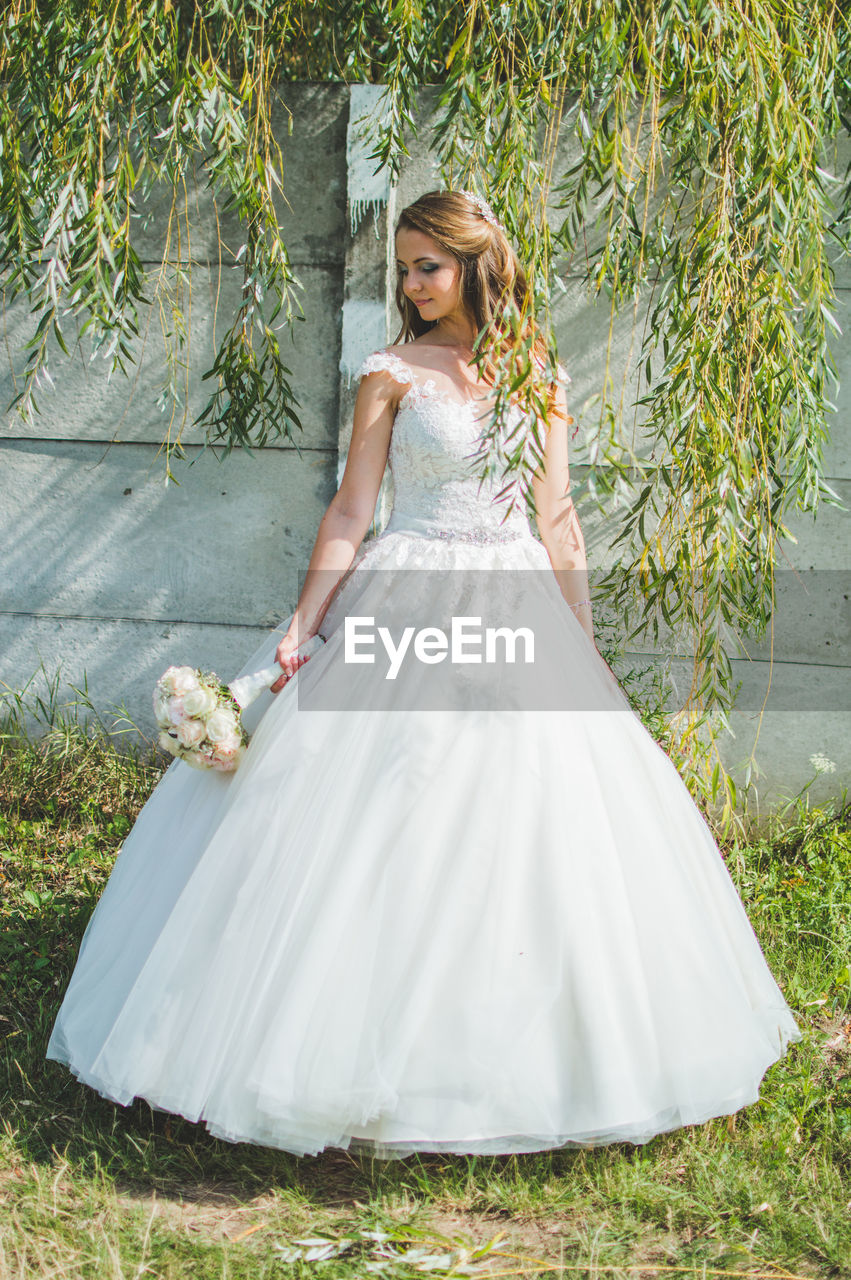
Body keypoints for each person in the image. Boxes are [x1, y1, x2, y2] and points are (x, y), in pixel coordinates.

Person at [45, 189, 801, 1159]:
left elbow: (556, 517)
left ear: (475, 263)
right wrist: (303, 622)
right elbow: (352, 512)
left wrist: (582, 644)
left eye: (424, 266)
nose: (407, 284)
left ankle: (528, 1064)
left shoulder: (537, 370)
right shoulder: (389, 373)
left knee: (530, 824)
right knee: (378, 818)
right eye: (401, 268)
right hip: (403, 596)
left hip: (513, 602)